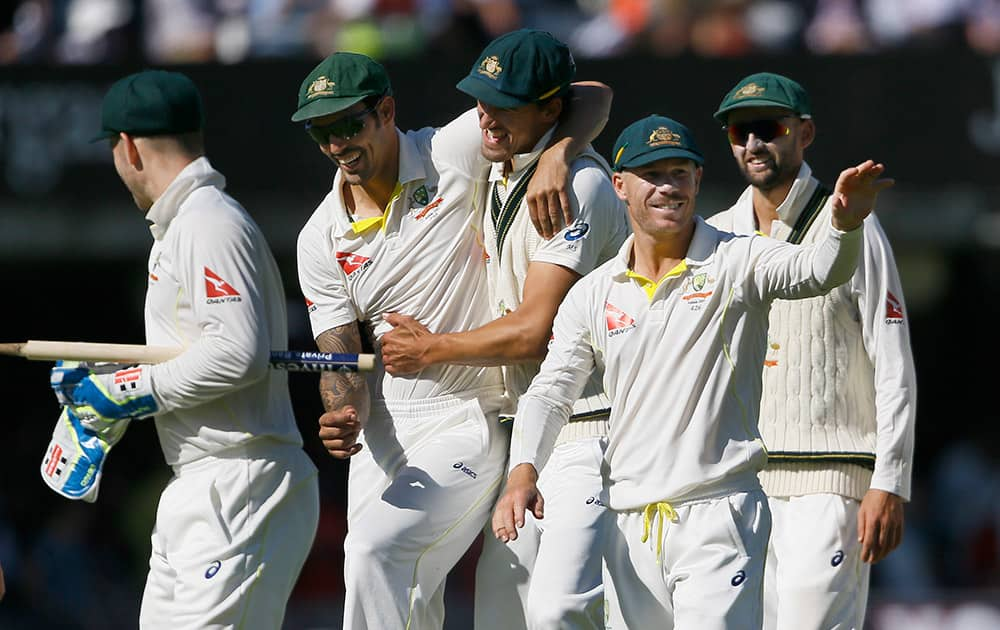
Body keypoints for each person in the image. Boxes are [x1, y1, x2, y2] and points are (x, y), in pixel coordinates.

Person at [493, 114, 894, 629]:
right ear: (619, 186)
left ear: (697, 180)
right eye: (652, 174)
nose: (668, 188)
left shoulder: (737, 260)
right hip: (630, 518)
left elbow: (817, 271)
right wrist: (522, 471)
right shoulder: (595, 293)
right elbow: (551, 391)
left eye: (679, 173)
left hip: (718, 514)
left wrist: (845, 224)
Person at [292, 50, 610, 630]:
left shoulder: (451, 148)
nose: (336, 144)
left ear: (386, 111)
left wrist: (558, 154)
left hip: (467, 415)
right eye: (321, 131)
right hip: (386, 430)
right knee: (389, 586)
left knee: (373, 554)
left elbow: (590, 94)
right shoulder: (318, 237)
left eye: (348, 124)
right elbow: (339, 354)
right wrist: (342, 409)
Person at [48, 70, 319, 628]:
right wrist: (118, 384)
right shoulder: (184, 227)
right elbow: (202, 354)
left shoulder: (207, 222)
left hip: (238, 482)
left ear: (127, 147)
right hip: (201, 485)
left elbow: (236, 352)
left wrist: (124, 393)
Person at [379, 29, 630, 630]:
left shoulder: (579, 185)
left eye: (505, 103)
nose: (485, 116)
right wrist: (555, 147)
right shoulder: (505, 163)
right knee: (503, 613)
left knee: (559, 615)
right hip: (536, 434)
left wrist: (430, 350)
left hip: (596, 432)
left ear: (549, 109)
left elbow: (532, 332)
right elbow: (593, 94)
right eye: (480, 100)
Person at [707, 71, 917, 630]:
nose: (753, 144)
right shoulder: (718, 235)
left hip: (831, 479)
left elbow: (892, 357)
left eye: (768, 128)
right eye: (738, 131)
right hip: (740, 485)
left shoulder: (852, 224)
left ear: (805, 134)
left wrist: (889, 480)